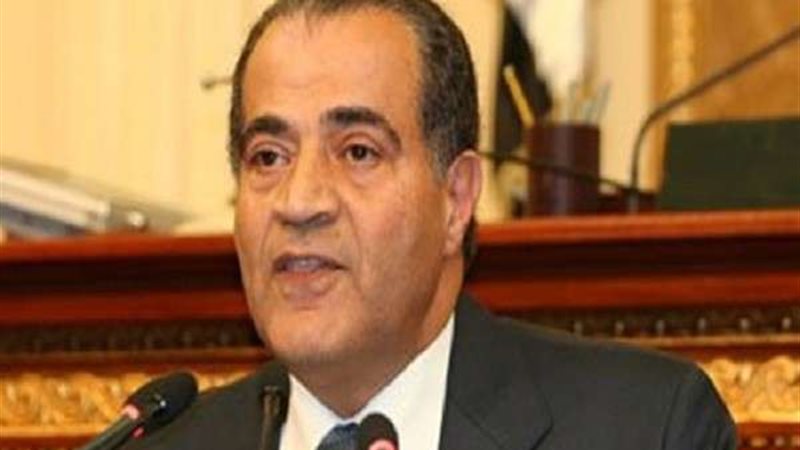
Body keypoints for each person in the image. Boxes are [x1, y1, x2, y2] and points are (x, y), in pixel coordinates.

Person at [124, 1, 736, 449]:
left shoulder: (645, 429)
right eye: (268, 157)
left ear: (457, 198)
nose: (300, 200)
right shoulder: (164, 446)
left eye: (358, 151)